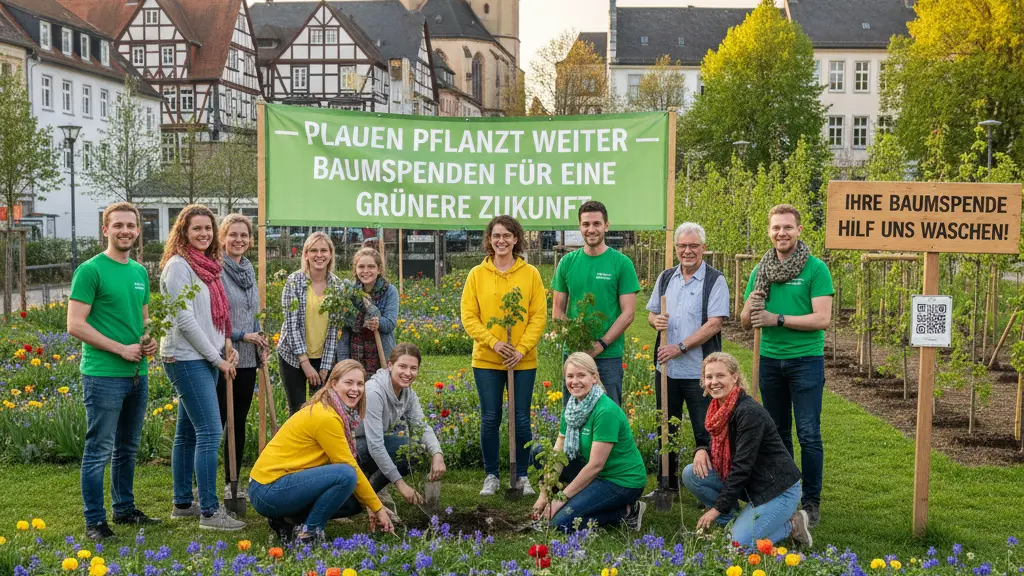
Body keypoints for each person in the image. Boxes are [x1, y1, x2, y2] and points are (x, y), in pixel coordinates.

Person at [68, 202, 161, 541]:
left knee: (128, 447)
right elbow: (75, 325)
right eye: (118, 225)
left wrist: (150, 339)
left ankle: (124, 508)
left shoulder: (138, 272)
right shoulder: (91, 270)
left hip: (138, 373)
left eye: (131, 226)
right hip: (104, 373)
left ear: (138, 231)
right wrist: (121, 348)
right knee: (98, 450)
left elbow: (146, 319)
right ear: (105, 230)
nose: (125, 231)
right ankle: (95, 521)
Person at [740, 204, 833, 528]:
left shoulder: (815, 269)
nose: (781, 233)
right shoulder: (760, 270)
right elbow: (744, 320)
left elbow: (823, 318)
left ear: (799, 230)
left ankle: (812, 500)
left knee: (808, 434)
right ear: (769, 231)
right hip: (769, 361)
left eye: (787, 227)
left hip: (805, 361)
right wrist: (753, 305)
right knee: (777, 434)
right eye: (776, 227)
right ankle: (786, 493)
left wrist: (776, 318)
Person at [160, 204, 244, 531]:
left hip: (204, 356)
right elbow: (185, 321)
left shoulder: (208, 266)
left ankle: (183, 503)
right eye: (197, 228)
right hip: (185, 357)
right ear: (184, 231)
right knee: (210, 431)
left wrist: (227, 345)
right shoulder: (179, 267)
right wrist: (217, 359)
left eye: (208, 229)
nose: (204, 234)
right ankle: (210, 512)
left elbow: (214, 317)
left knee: (188, 433)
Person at [249, 360, 394, 545]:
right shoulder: (327, 417)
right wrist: (377, 508)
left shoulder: (332, 410)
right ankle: (310, 535)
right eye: (348, 383)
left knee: (354, 498)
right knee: (347, 475)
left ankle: (287, 520)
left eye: (360, 384)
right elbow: (349, 467)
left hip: (272, 487)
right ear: (333, 384)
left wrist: (370, 503)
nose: (356, 389)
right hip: (267, 490)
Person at [682, 352, 813, 548]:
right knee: (691, 473)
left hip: (777, 489)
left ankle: (791, 525)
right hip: (751, 484)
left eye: (720, 376)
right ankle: (731, 521)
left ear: (734, 377)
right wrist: (701, 449)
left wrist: (716, 509)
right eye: (709, 377)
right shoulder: (717, 408)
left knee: (736, 546)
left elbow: (741, 467)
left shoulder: (748, 412)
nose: (714, 382)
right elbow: (719, 447)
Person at [461, 215, 547, 496]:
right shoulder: (477, 275)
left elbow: (538, 316)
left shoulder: (530, 274)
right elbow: (469, 317)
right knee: (490, 417)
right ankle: (492, 476)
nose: (501, 240)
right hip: (487, 359)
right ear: (489, 240)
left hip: (522, 361)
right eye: (496, 235)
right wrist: (495, 343)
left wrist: (520, 349)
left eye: (507, 236)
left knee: (521, 418)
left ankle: (521, 475)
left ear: (516, 239)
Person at [646, 222, 729, 492]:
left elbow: (714, 323)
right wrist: (655, 320)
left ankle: (709, 486)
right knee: (665, 428)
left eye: (693, 246)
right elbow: (651, 314)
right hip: (667, 371)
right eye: (682, 246)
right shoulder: (666, 277)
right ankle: (666, 484)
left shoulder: (714, 280)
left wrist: (680, 347)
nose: (687, 251)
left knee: (706, 432)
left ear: (704, 248)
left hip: (700, 373)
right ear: (676, 248)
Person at [531, 353, 648, 533]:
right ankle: (585, 502)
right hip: (593, 471)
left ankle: (626, 511)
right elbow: (558, 454)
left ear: (594, 378)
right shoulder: (571, 409)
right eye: (570, 376)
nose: (574, 381)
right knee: (541, 452)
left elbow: (595, 465)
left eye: (581, 375)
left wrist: (561, 498)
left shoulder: (605, 411)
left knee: (560, 524)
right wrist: (544, 495)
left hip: (621, 481)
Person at [552, 201, 640, 405]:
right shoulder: (567, 262)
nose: (591, 229)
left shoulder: (621, 263)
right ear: (580, 227)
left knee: (608, 414)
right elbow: (557, 309)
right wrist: (576, 343)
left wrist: (601, 344)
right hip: (574, 355)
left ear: (606, 226)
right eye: (586, 224)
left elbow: (628, 313)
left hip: (608, 355)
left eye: (597, 224)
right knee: (573, 414)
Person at [354, 343, 447, 516]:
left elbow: (421, 426)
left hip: (368, 442)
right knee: (400, 449)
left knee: (413, 449)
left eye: (413, 368)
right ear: (390, 366)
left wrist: (437, 454)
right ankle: (364, 496)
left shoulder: (407, 393)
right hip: (349, 446)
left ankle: (373, 489)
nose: (408, 373)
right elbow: (375, 446)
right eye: (402, 366)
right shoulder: (374, 392)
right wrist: (401, 485)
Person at [217, 213, 267, 501]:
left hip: (248, 357)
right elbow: (215, 317)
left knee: (239, 419)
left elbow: (252, 314)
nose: (238, 240)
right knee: (220, 420)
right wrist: (241, 335)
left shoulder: (248, 270)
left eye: (244, 235)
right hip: (226, 355)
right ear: (223, 238)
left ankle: (232, 482)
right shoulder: (216, 271)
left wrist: (259, 340)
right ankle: (209, 483)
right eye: (233, 235)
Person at [277, 232, 344, 415]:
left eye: (324, 250)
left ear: (330, 254)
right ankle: (296, 444)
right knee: (298, 410)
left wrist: (325, 366)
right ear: (306, 254)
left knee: (321, 411)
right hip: (293, 355)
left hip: (322, 356)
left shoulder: (337, 286)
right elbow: (292, 326)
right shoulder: (294, 282)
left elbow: (333, 330)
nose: (319, 255)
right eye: (313, 250)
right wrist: (305, 363)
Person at [339, 247, 399, 372]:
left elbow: (390, 324)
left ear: (379, 269)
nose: (366, 271)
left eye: (371, 266)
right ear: (355, 270)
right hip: (354, 352)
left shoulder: (390, 291)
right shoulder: (350, 292)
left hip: (381, 353)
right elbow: (345, 330)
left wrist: (378, 322)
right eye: (361, 267)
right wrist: (343, 362)